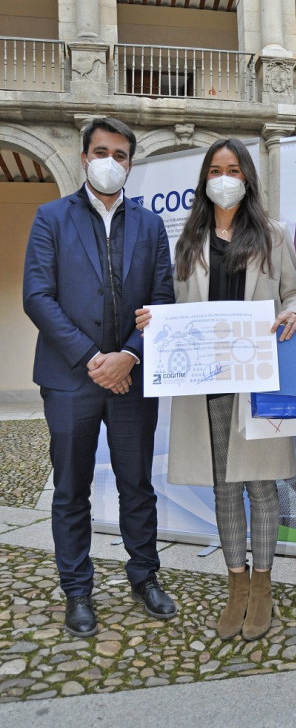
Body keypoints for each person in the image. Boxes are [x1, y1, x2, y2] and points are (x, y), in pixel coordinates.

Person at [136, 138, 296, 641]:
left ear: (247, 178)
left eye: (233, 169)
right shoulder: (188, 241)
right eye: (216, 169)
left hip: (258, 380)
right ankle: (236, 584)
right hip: (206, 383)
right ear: (204, 180)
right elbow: (173, 305)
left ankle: (263, 585)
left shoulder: (273, 234)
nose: (225, 178)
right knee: (225, 487)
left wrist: (295, 313)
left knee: (262, 485)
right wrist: (154, 321)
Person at [23, 117, 176, 638]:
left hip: (132, 378)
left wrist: (128, 356)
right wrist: (94, 359)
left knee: (137, 485)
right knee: (71, 489)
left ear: (130, 164)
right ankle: (77, 590)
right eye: (102, 152)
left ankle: (145, 576)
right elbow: (38, 296)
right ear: (85, 157)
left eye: (121, 155)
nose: (111, 162)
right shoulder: (51, 217)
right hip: (70, 378)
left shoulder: (150, 225)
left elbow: (162, 300)